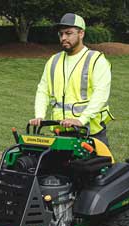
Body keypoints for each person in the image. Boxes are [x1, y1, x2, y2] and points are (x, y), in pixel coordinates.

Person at [29, 13, 114, 145]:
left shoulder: (96, 60)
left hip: (90, 133)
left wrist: (81, 120)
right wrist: (39, 115)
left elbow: (101, 94)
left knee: (98, 165)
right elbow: (43, 90)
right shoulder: (53, 61)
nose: (63, 38)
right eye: (61, 34)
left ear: (81, 34)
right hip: (60, 132)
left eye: (68, 33)